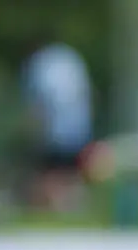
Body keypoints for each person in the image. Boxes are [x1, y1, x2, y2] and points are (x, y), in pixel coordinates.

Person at [20, 40, 93, 212]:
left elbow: (39, 104)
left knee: (51, 173)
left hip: (54, 130)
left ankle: (57, 206)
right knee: (71, 172)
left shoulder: (39, 65)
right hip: (79, 129)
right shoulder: (69, 58)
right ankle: (70, 206)